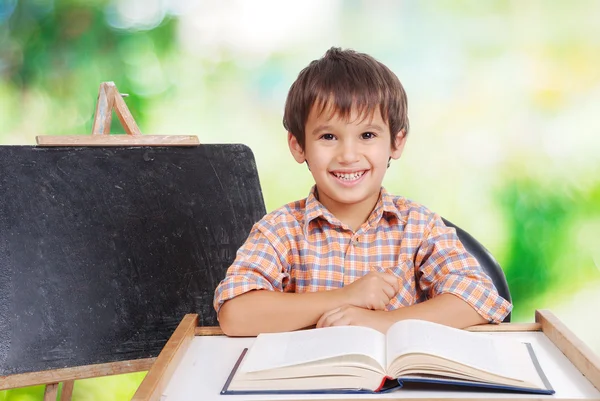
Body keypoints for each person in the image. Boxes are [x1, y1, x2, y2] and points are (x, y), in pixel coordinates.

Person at [213, 47, 512, 336]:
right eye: (328, 136)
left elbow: (479, 297)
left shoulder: (419, 227)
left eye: (367, 135)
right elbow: (235, 313)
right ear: (298, 145)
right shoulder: (279, 231)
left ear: (396, 143)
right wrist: (345, 297)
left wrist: (383, 323)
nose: (348, 155)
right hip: (308, 386)